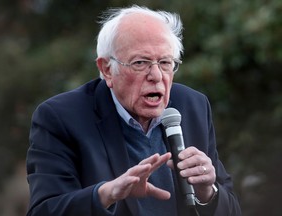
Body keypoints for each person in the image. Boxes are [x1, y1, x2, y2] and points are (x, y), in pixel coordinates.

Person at [26, 5, 241, 216]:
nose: (157, 76)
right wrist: (106, 194)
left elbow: (232, 210)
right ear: (107, 69)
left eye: (165, 62)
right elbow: (45, 209)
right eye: (140, 62)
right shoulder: (61, 118)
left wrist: (207, 192)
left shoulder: (193, 106)